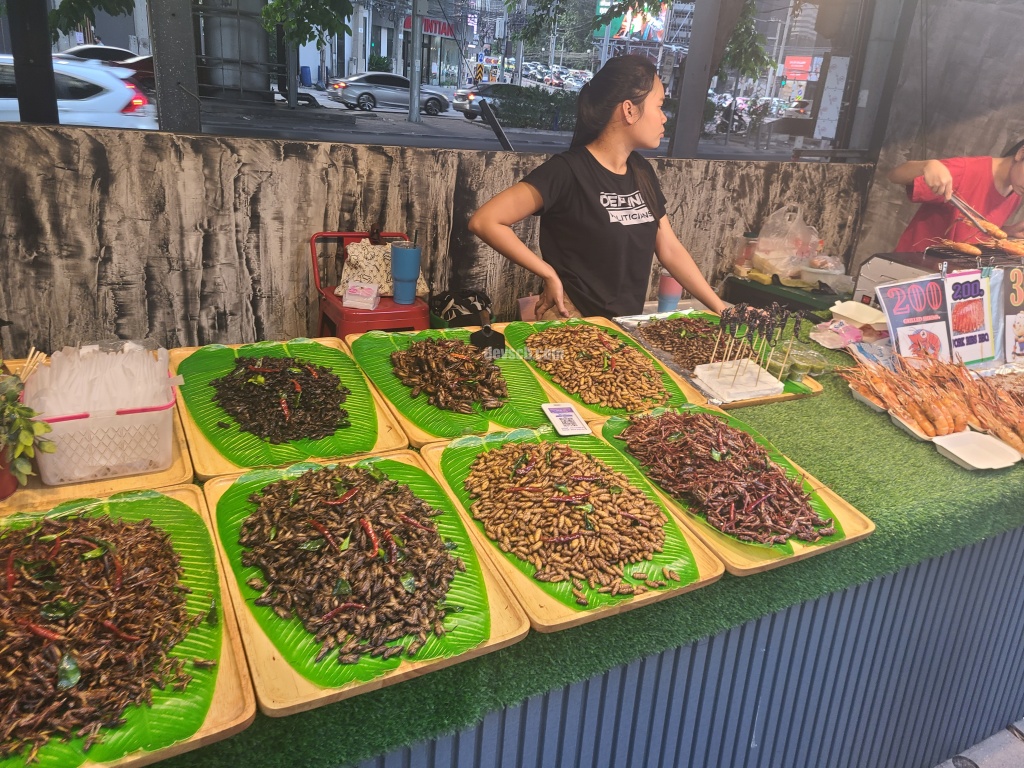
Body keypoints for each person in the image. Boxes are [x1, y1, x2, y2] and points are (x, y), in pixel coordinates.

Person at [467, 55, 726, 320]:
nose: (664, 118)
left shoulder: (641, 172)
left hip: (623, 326)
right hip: (574, 324)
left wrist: (721, 308)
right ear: (629, 110)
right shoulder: (567, 171)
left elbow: (670, 249)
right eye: (659, 106)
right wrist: (548, 273)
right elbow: (485, 221)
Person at [888, 140, 1024, 252]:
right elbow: (894, 175)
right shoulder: (966, 171)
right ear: (1021, 154)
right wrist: (926, 165)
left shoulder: (1016, 189)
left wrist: (1007, 231)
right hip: (915, 265)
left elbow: (974, 231)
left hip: (958, 274)